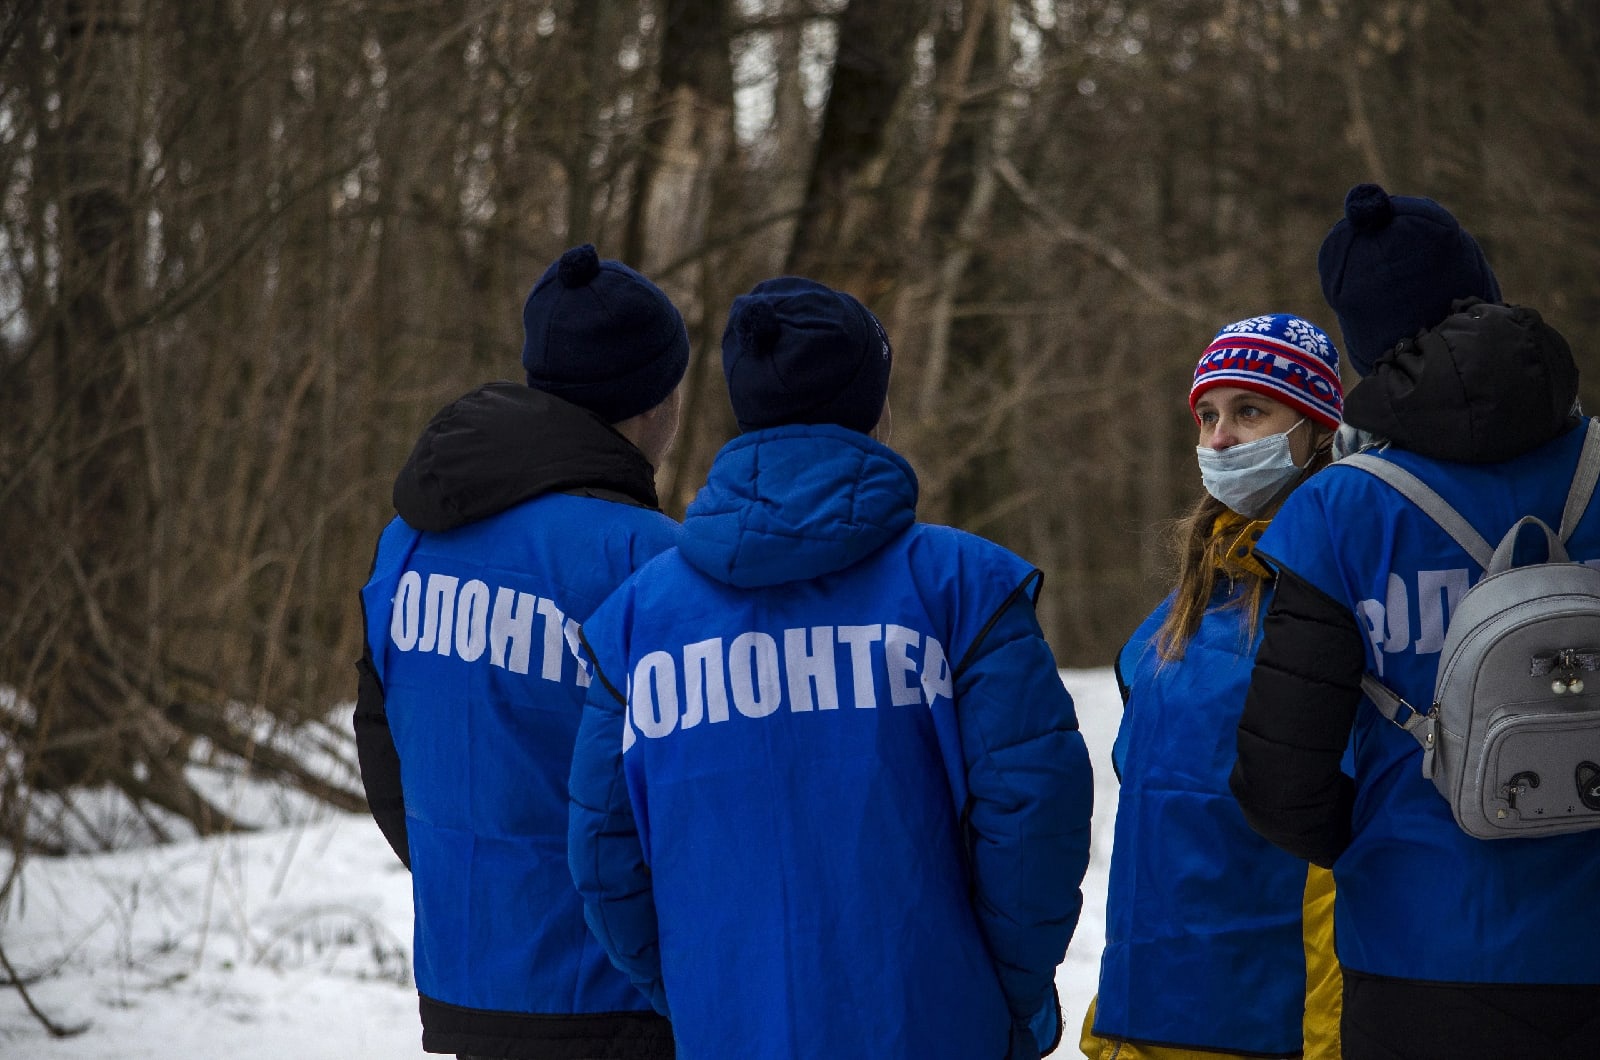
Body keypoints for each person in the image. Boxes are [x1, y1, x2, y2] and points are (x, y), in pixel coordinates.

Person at [565, 276, 1094, 1060]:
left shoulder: (639, 623)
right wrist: (1001, 998)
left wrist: (704, 994)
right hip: (935, 1026)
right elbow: (1034, 820)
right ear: (874, 408)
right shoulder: (961, 589)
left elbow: (605, 857)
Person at [1229, 184, 1600, 1059]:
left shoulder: (1338, 511)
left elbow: (1279, 781)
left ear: (1365, 343)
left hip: (1420, 951)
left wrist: (1386, 846)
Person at [354, 244, 685, 1059]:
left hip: (471, 988)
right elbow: (696, 795)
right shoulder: (651, 563)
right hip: (619, 1000)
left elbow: (383, 745)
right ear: (651, 403)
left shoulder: (408, 543)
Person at [1080, 314, 1344, 1060]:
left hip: (1262, 1022)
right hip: (1148, 1019)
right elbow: (1153, 832)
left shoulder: (1333, 597)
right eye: (1207, 415)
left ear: (1317, 430)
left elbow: (1340, 870)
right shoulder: (1180, 612)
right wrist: (1114, 1013)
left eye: (1250, 410)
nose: (1221, 438)